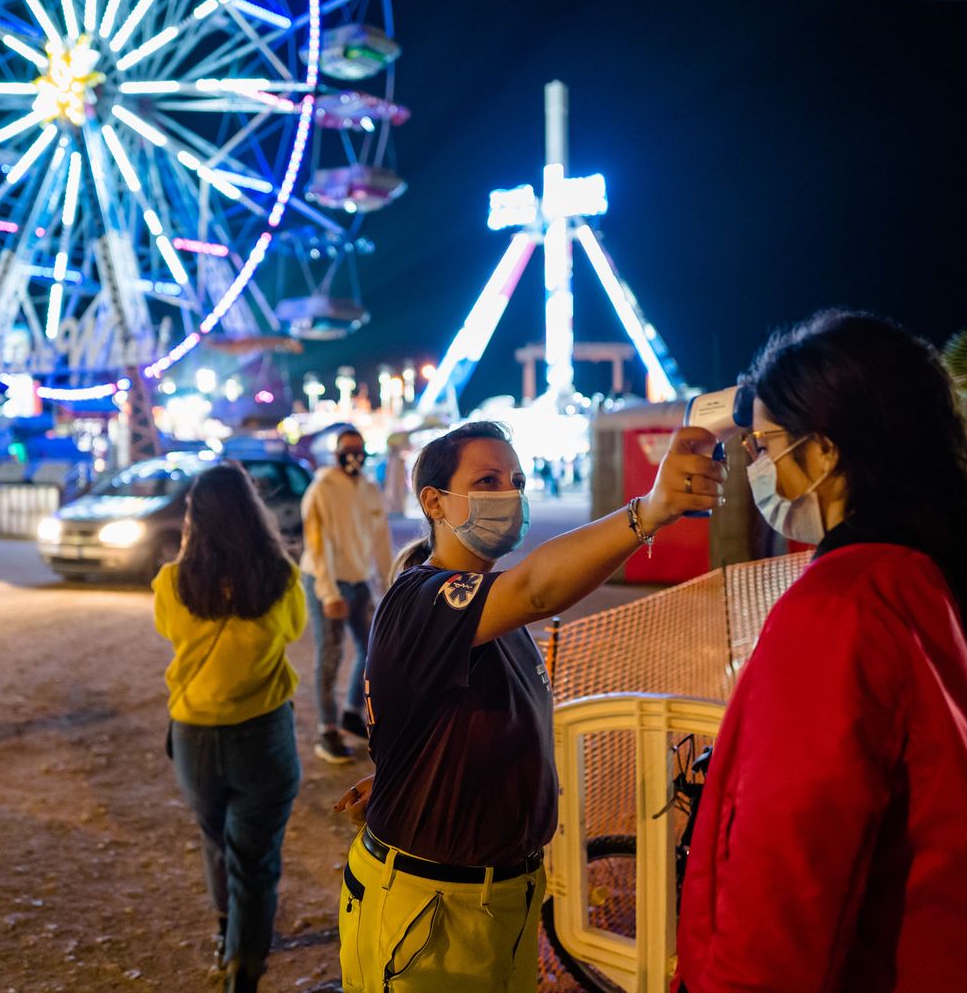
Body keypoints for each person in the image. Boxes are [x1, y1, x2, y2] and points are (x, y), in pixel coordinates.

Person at [674, 311, 967, 992]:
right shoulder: (929, 581)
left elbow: (785, 880)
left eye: (764, 446)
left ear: (823, 453)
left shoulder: (838, 606)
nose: (758, 469)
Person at [331, 418, 721, 991]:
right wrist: (651, 510)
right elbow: (538, 587)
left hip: (507, 901)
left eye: (515, 479)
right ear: (434, 502)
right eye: (487, 481)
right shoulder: (421, 600)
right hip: (429, 912)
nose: (508, 494)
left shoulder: (495, 615)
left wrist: (400, 776)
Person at [154, 463, 307, 993]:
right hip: (261, 732)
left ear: (195, 517)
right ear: (252, 513)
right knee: (255, 857)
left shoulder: (173, 582)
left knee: (216, 840)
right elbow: (293, 630)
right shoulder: (281, 576)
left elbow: (169, 630)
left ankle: (227, 932)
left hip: (194, 735)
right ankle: (243, 967)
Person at [299, 426, 393, 763]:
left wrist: (388, 583)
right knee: (330, 655)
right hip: (328, 583)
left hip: (359, 581)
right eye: (347, 448)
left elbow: (380, 541)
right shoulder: (322, 488)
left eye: (359, 447)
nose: (353, 454)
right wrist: (327, 593)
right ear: (335, 452)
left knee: (372, 651)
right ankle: (327, 731)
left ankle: (352, 712)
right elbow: (316, 542)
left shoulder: (369, 489)